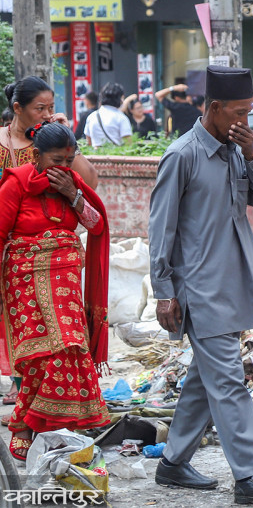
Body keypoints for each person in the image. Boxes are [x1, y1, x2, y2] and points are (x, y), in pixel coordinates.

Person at [149, 65, 253, 504]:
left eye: (249, 112)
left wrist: (252, 155)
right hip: (199, 287)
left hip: (234, 283)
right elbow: (161, 228)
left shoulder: (236, 150)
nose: (246, 122)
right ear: (213, 109)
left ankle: (173, 463)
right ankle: (250, 476)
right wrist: (164, 291)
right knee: (229, 380)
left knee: (205, 378)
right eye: (240, 113)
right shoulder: (182, 155)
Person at [0, 122, 111, 460]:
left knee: (70, 346)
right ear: (35, 156)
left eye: (69, 161)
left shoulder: (72, 186)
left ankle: (37, 423)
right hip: (24, 280)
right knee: (40, 357)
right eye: (57, 161)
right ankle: (25, 424)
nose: (64, 169)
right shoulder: (15, 184)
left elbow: (96, 225)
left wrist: (74, 197)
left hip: (64, 282)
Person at [0, 77, 98, 188]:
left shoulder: (52, 143)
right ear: (17, 108)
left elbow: (90, 183)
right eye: (40, 108)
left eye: (51, 108)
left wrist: (67, 138)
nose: (47, 115)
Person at [84, 83, 132, 147]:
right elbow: (128, 144)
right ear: (119, 98)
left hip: (96, 155)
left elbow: (89, 143)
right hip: (115, 155)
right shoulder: (121, 118)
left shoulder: (91, 117)